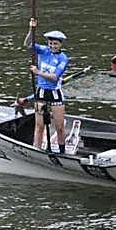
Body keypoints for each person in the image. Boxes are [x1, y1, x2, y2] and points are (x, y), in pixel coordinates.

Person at [24, 19, 70, 153]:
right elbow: (28, 44)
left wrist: (38, 72)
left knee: (59, 126)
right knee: (39, 126)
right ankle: (36, 150)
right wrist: (31, 29)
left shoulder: (63, 58)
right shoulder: (43, 51)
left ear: (60, 44)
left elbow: (54, 78)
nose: (52, 46)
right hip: (41, 92)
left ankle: (62, 152)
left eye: (55, 44)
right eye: (50, 43)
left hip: (55, 93)